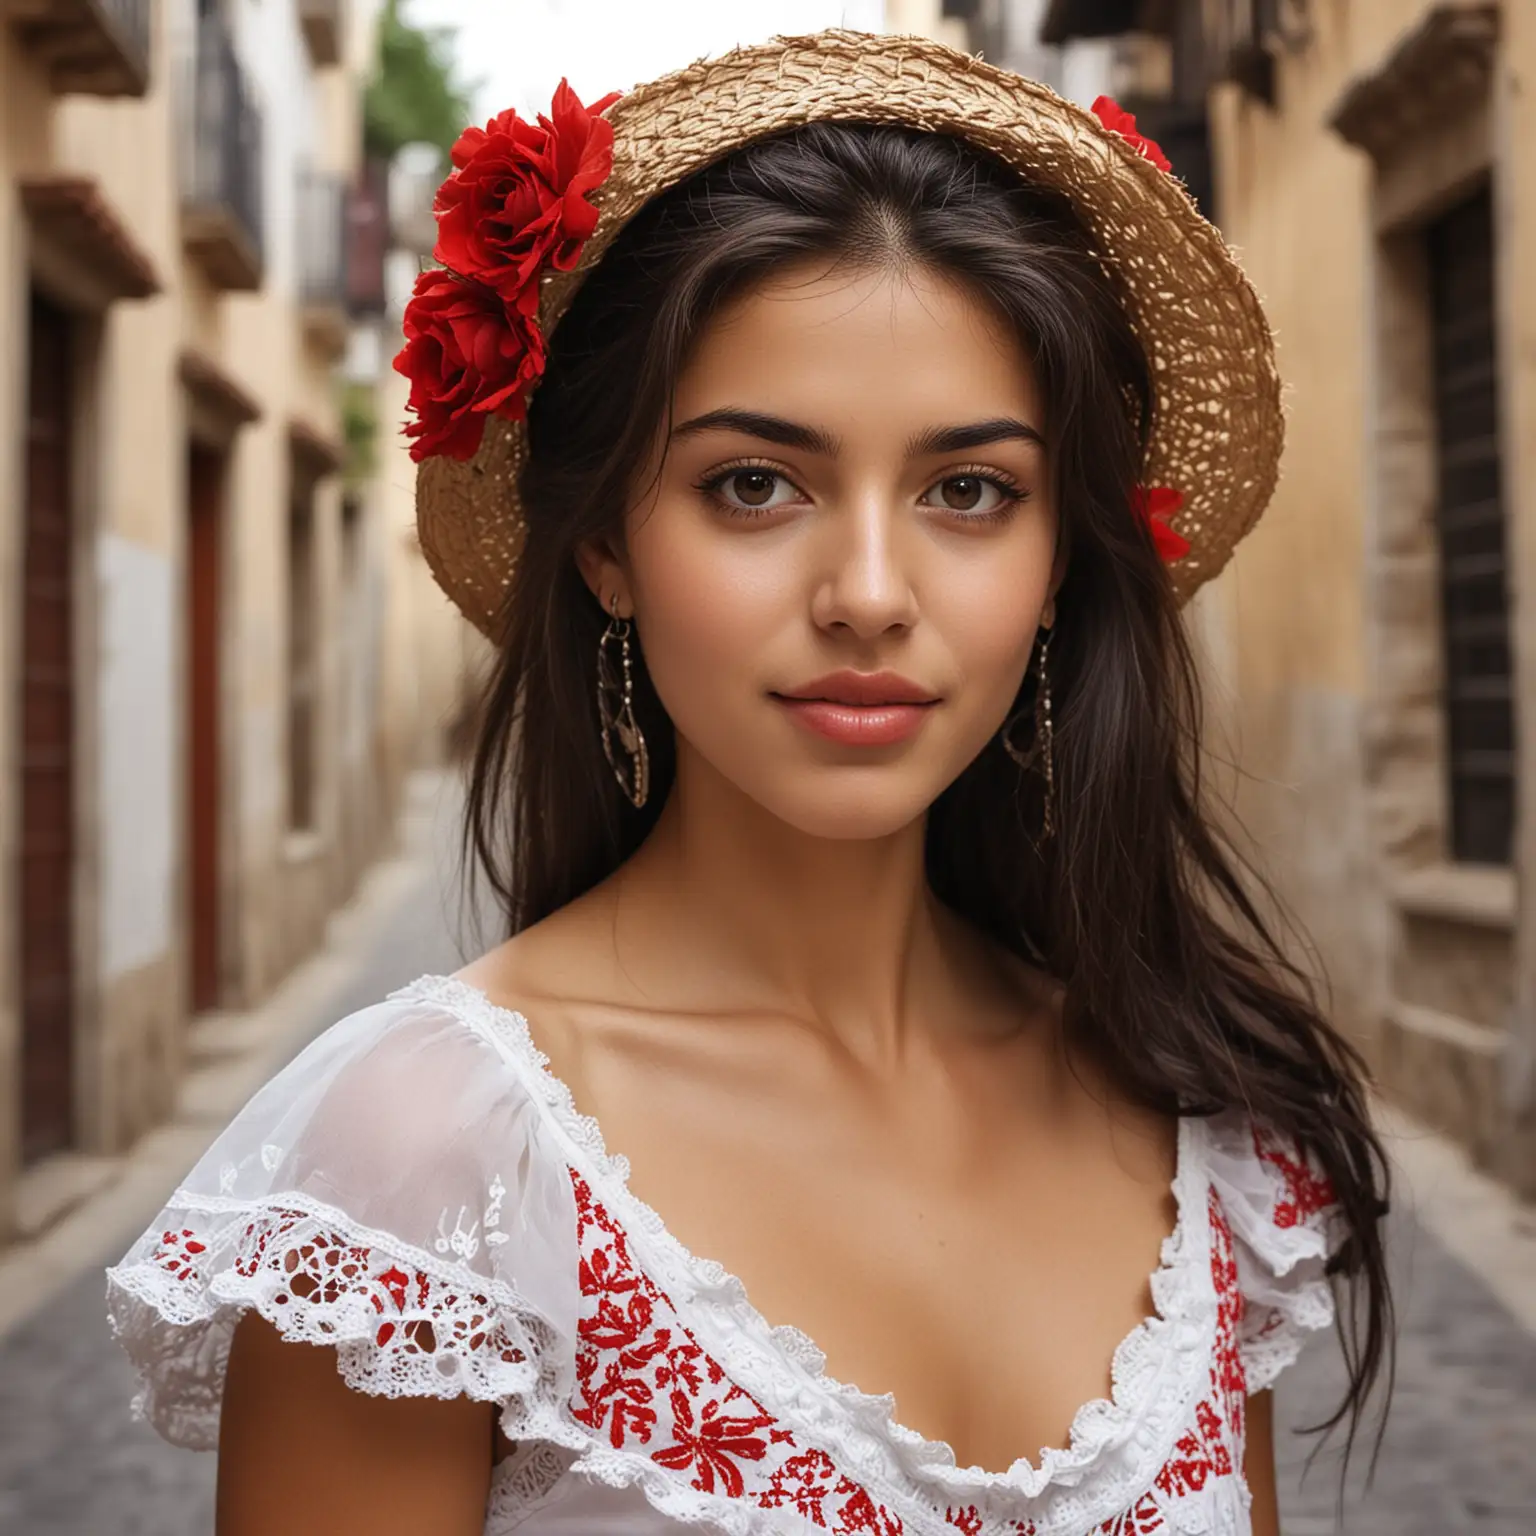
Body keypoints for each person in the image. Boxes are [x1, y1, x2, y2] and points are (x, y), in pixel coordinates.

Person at [107, 31, 1392, 1536]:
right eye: (753, 484)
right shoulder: (432, 1170)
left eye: (969, 491)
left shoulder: (1195, 1125)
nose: (865, 592)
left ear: (1059, 568)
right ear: (604, 547)